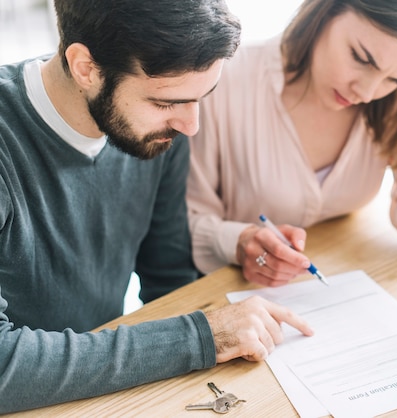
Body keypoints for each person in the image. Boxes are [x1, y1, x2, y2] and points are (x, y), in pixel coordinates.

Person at [0, 0, 312, 413]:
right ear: (85, 68)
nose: (190, 125)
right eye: (166, 103)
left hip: (102, 397)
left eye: (202, 97)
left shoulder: (158, 133)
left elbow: (169, 280)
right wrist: (200, 337)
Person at [186, 0, 397, 287]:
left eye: (395, 79)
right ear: (327, 9)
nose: (367, 91)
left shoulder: (394, 107)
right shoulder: (225, 83)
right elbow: (181, 223)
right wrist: (239, 242)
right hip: (222, 295)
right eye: (361, 58)